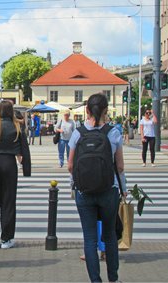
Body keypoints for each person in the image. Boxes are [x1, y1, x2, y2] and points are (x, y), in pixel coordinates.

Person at [68, 93, 127, 283]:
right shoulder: (113, 132)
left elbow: (70, 165)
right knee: (110, 236)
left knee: (90, 238)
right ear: (105, 111)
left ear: (87, 110)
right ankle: (113, 278)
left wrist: (76, 182)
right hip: (108, 190)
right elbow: (120, 166)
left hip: (84, 192)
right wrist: (123, 189)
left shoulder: (78, 133)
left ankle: (95, 280)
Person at [0, 100, 31, 250]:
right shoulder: (17, 127)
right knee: (8, 202)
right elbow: (24, 150)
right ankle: (6, 238)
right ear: (11, 111)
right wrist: (26, 170)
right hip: (9, 164)